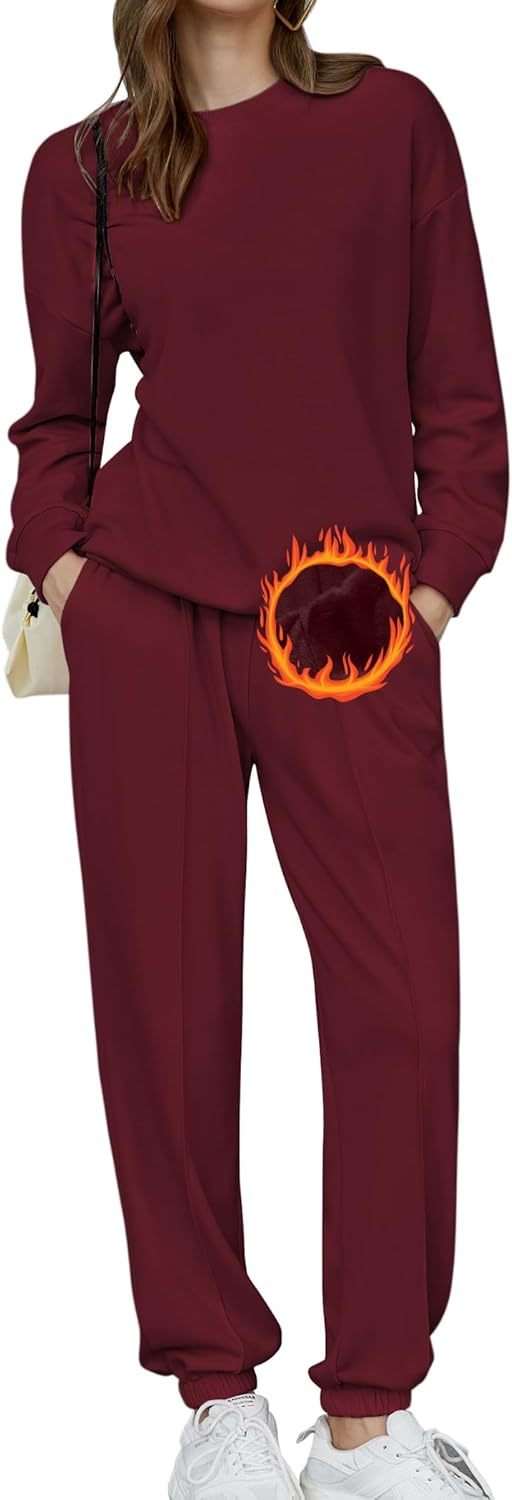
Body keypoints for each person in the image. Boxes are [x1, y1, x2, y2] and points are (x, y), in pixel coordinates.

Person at [6, 1, 508, 1496]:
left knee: (400, 999)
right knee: (161, 1007)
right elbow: (56, 424)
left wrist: (430, 593)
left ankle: (369, 1419)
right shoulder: (84, 168)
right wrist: (74, 579)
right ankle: (218, 1402)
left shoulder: (392, 121)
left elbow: (460, 400)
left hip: (346, 620)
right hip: (149, 613)